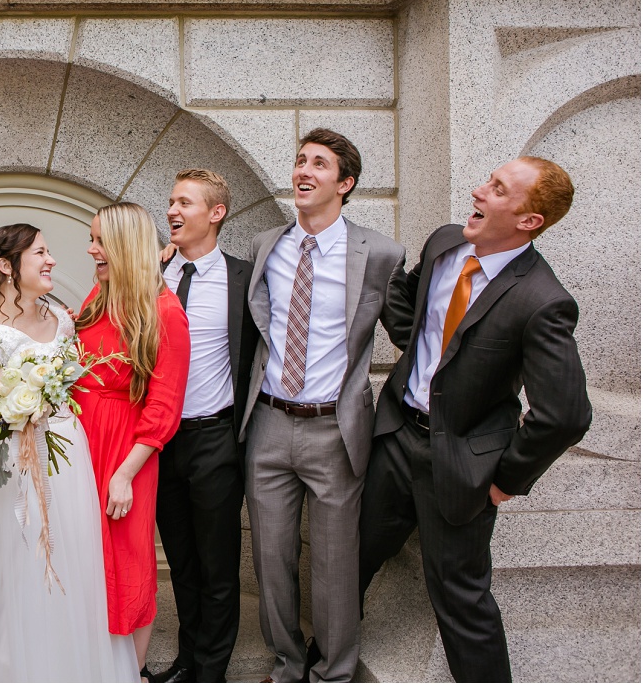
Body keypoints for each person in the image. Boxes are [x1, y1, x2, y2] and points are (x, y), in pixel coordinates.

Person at [358, 156, 591, 682]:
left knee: (460, 599)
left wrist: (505, 481)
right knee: (348, 560)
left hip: (461, 466)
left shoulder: (543, 301)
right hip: (394, 439)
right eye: (488, 179)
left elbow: (566, 415)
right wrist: (420, 354)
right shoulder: (445, 242)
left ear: (529, 220)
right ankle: (324, 662)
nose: (478, 190)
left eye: (497, 188)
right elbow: (405, 295)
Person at [240, 128, 409, 682]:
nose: (304, 171)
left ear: (345, 182)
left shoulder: (380, 253)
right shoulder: (267, 245)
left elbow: (412, 333)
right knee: (271, 558)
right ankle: (288, 663)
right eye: (299, 161)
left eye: (319, 164)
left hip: (335, 428)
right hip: (267, 421)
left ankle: (335, 671)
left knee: (336, 565)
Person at [0, 224, 140, 682]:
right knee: (20, 566)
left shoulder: (61, 316)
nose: (51, 260)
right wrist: (9, 415)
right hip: (14, 464)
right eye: (40, 252)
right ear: (7, 266)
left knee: (76, 557)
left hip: (68, 454)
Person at [150, 170, 260, 683]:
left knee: (218, 564)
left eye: (185, 203)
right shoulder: (153, 276)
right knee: (181, 560)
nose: (172, 211)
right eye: (171, 202)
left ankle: (211, 670)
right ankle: (187, 658)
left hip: (216, 437)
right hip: (159, 441)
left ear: (215, 213)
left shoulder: (245, 278)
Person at [73, 202, 192, 674]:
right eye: (92, 239)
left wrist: (124, 475)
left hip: (128, 454)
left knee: (128, 563)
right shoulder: (95, 299)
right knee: (85, 560)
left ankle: (127, 673)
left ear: (125, 245)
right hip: (81, 447)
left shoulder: (166, 312)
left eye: (100, 241)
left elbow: (165, 408)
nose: (92, 250)